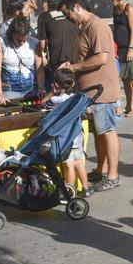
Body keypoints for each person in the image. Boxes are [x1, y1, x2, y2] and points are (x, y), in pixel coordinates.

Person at [59, 0, 123, 192]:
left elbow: (102, 58)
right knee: (99, 133)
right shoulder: (84, 27)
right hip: (91, 93)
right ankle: (101, 169)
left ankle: (112, 175)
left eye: (67, 13)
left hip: (102, 92)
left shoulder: (97, 26)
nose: (68, 18)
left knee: (107, 131)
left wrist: (74, 68)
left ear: (77, 7)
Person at [45, 67, 90, 197]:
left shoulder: (56, 100)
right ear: (73, 83)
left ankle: (70, 191)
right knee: (79, 163)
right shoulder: (78, 98)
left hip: (65, 137)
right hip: (78, 135)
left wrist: (51, 92)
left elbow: (42, 104)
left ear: (56, 84)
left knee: (69, 165)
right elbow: (88, 111)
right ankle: (85, 188)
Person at [105, 0, 133, 117]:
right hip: (119, 47)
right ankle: (128, 105)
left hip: (128, 47)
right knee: (125, 78)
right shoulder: (116, 9)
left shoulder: (129, 9)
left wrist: (131, 49)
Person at [36, 0, 79, 92]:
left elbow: (42, 44)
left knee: (61, 89)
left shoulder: (43, 17)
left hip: (58, 57)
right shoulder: (70, 13)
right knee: (75, 87)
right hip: (76, 56)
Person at [0, 17, 40, 104]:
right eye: (18, 40)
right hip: (9, 92)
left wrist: (41, 88)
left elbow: (40, 68)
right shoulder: (1, 43)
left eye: (24, 40)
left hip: (31, 91)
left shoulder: (34, 43)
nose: (21, 43)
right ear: (11, 34)